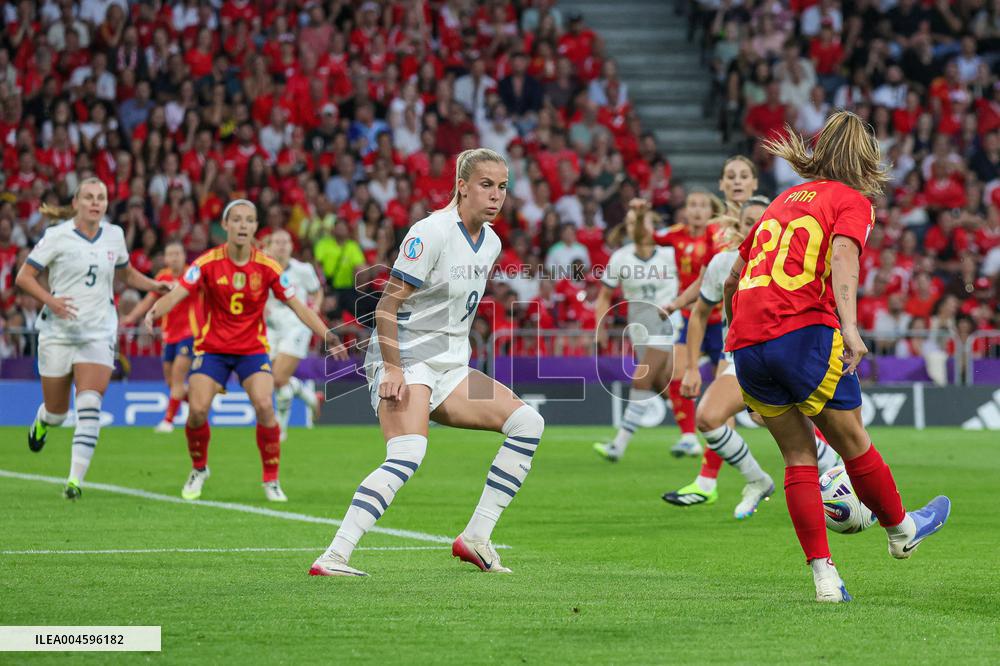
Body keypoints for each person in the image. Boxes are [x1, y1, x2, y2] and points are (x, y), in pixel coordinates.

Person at [724, 111, 951, 603]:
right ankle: (902, 530)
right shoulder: (852, 201)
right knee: (853, 441)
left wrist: (732, 327)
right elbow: (843, 257)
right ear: (864, 158)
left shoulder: (782, 200)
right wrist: (849, 326)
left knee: (797, 457)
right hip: (801, 331)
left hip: (747, 340)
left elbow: (732, 277)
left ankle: (825, 578)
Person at [309, 148, 546, 577]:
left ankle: (476, 538)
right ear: (462, 186)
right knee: (409, 451)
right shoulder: (431, 232)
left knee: (528, 423)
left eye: (503, 187)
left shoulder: (490, 241)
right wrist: (394, 369)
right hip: (405, 356)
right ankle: (334, 555)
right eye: (486, 185)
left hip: (450, 365)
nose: (496, 196)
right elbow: (385, 306)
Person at [144, 200, 344, 503]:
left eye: (249, 220)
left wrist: (327, 334)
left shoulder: (267, 266)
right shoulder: (207, 263)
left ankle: (271, 479)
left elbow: (298, 305)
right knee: (197, 411)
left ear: (254, 227)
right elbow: (179, 292)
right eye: (236, 220)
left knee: (265, 406)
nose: (242, 225)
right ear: (225, 225)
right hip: (212, 349)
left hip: (251, 349)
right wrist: (155, 312)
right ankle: (199, 469)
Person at [16, 178, 168, 499]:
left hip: (98, 331)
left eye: (101, 198)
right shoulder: (56, 236)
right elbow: (24, 277)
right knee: (58, 413)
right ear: (76, 203)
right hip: (57, 332)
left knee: (89, 404)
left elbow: (125, 274)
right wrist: (52, 301)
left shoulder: (115, 235)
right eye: (89, 197)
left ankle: (74, 481)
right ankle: (43, 420)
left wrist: (154, 285)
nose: (96, 203)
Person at [592, 199, 678, 462]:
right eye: (629, 223)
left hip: (668, 323)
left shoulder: (669, 253)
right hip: (639, 327)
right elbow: (604, 296)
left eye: (639, 221)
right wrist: (600, 327)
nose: (635, 228)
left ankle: (618, 445)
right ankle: (704, 435)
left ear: (652, 224)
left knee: (642, 379)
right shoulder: (620, 258)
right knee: (665, 384)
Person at [653, 189, 725, 457]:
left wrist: (676, 302)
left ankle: (720, 443)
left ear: (711, 211)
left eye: (701, 205)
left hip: (721, 320)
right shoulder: (677, 234)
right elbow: (648, 238)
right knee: (676, 373)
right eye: (691, 204)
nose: (696, 210)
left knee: (725, 383)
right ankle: (688, 437)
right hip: (691, 317)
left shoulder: (720, 237)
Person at [122, 240, 202, 433]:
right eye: (171, 254)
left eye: (178, 254)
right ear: (165, 258)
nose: (174, 258)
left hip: (190, 333)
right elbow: (149, 300)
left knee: (177, 376)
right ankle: (200, 404)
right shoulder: (162, 277)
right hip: (170, 335)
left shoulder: (192, 274)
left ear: (184, 256)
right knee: (170, 381)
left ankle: (168, 421)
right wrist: (130, 318)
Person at [263, 229, 324, 441]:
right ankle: (310, 397)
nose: (281, 245)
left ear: (291, 246)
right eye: (277, 242)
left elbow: (317, 291)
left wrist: (315, 307)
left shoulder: (303, 269)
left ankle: (280, 428)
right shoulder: (262, 268)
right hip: (270, 327)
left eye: (285, 241)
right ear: (269, 246)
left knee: (279, 378)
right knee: (273, 379)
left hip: (296, 326)